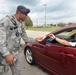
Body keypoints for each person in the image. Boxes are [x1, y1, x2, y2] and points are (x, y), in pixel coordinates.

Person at [0, 5, 30, 75]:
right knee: (3, 72)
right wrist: (6, 54)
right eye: (25, 14)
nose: (27, 16)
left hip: (16, 54)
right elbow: (0, 39)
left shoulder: (21, 23)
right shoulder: (6, 20)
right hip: (4, 55)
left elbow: (25, 37)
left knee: (17, 73)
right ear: (19, 12)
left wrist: (36, 40)